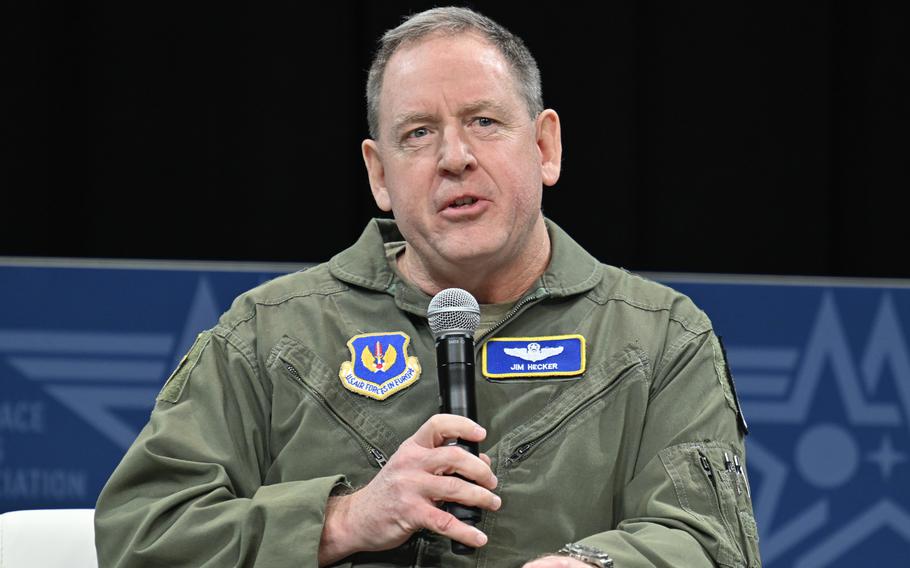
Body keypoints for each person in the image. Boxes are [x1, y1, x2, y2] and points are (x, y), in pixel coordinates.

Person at [95, 7, 761, 567]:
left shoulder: (658, 337)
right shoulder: (269, 336)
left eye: (484, 122)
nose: (454, 157)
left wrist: (589, 566)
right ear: (379, 173)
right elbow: (140, 532)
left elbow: (710, 542)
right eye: (419, 134)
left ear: (546, 146)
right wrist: (343, 519)